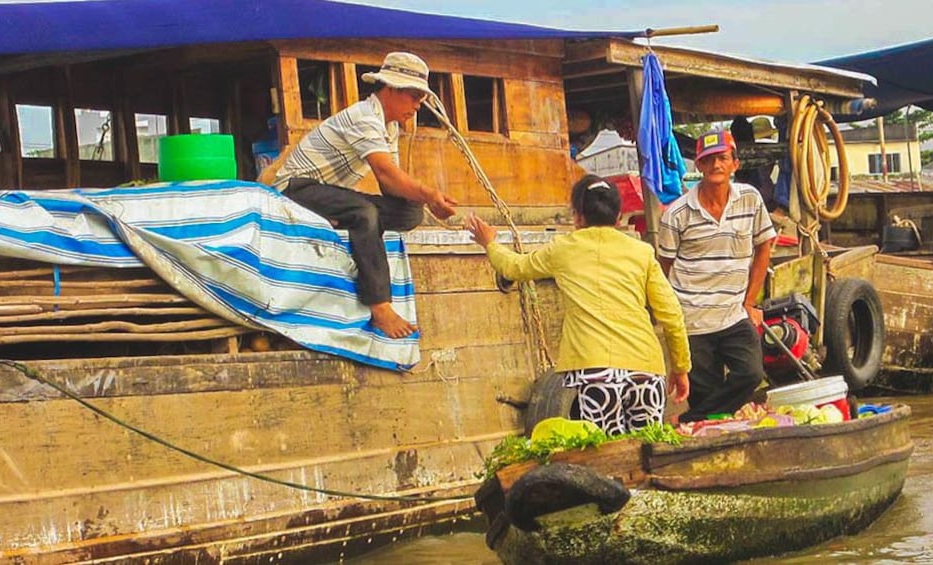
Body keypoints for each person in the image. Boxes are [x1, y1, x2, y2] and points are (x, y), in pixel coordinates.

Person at [464, 174, 691, 435]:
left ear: (578, 216)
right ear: (618, 217)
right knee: (648, 451)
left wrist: (489, 243)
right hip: (645, 370)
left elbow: (515, 267)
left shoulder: (563, 249)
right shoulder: (641, 252)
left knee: (606, 456)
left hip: (595, 373)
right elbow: (672, 314)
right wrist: (681, 367)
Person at [269, 52, 458, 338]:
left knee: (409, 212)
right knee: (364, 214)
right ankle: (380, 305)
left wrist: (425, 201)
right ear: (392, 88)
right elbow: (384, 173)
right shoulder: (364, 117)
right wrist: (429, 193)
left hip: (330, 193)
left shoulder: (389, 127)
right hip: (297, 189)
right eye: (414, 97)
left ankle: (338, 218)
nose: (418, 106)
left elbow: (390, 186)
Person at [658, 129, 777, 422]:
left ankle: (689, 421)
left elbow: (764, 248)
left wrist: (749, 302)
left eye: (722, 158)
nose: (716, 166)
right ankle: (709, 433)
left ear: (735, 163)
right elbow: (663, 269)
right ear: (698, 166)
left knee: (751, 374)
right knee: (704, 391)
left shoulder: (750, 199)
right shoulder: (677, 214)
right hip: (693, 320)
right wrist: (671, 314)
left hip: (733, 314)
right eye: (708, 160)